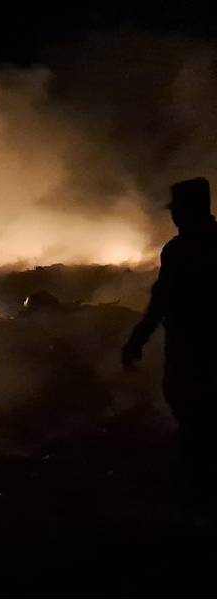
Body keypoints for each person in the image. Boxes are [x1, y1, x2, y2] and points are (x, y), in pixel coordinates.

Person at [123, 177, 217, 489]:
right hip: (192, 344)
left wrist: (137, 340)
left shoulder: (178, 251)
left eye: (177, 210)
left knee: (191, 412)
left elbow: (161, 301)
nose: (174, 216)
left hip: (189, 347)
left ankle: (197, 487)